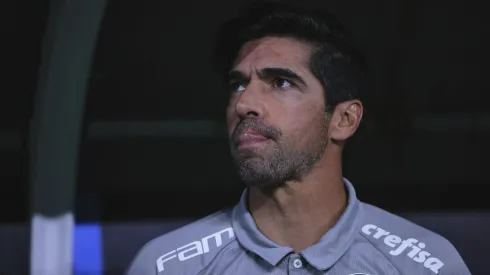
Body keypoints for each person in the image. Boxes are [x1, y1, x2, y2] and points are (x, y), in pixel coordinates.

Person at [125, 2, 471, 274]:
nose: (244, 103)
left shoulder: (426, 266)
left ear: (344, 119)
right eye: (238, 84)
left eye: (281, 82)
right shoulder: (164, 266)